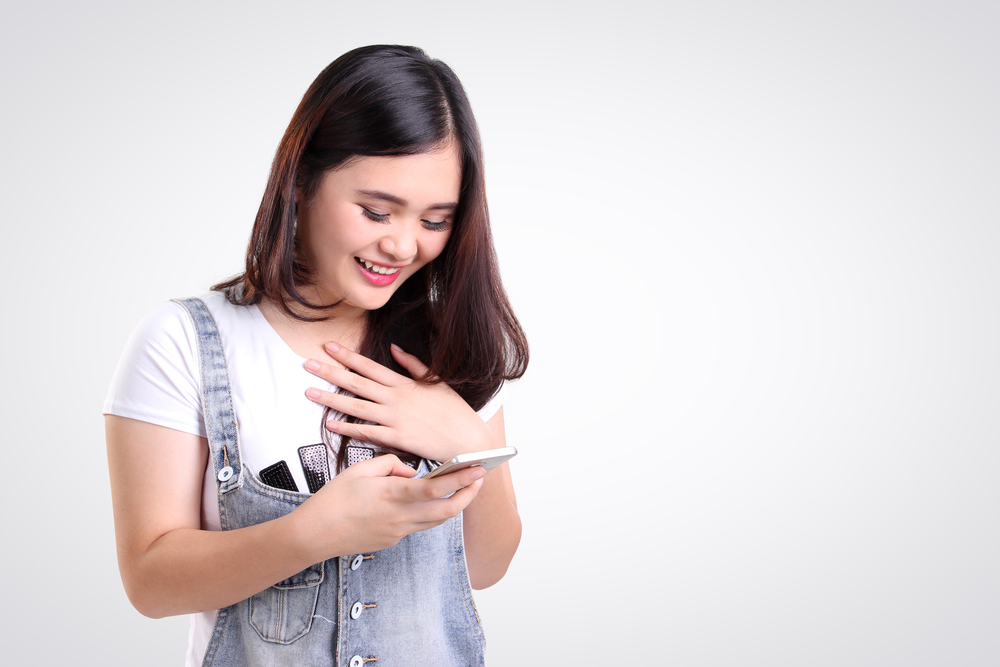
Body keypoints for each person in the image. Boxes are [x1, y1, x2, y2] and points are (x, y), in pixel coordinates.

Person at [104, 45, 528, 667]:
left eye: (435, 220)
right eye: (377, 210)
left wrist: (466, 438)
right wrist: (314, 532)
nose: (402, 244)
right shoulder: (185, 343)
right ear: (302, 181)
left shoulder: (448, 347)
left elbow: (487, 567)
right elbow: (150, 582)